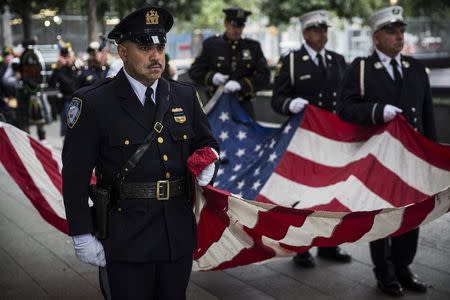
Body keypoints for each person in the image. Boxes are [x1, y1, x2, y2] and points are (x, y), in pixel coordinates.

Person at [62, 6, 219, 299]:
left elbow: (206, 143)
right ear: (122, 51)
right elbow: (74, 175)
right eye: (145, 46)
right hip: (126, 237)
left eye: (160, 46)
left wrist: (209, 161)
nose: (155, 55)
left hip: (176, 233)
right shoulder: (93, 103)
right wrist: (81, 233)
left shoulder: (183, 95)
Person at [338, 6, 434, 297]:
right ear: (376, 37)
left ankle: (404, 267)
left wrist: (431, 156)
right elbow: (344, 108)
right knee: (382, 216)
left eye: (401, 30)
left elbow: (427, 115)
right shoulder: (361, 69)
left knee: (411, 215)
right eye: (391, 31)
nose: (399, 36)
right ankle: (385, 271)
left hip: (411, 157)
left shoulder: (416, 69)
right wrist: (377, 111)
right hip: (379, 158)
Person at [271, 9, 351, 269]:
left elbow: (348, 99)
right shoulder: (292, 61)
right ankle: (301, 247)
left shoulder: (338, 61)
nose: (322, 34)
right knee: (303, 198)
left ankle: (329, 245)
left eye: (325, 29)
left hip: (332, 142)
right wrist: (290, 103)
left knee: (331, 196)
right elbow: (276, 99)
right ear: (305, 33)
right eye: (317, 29)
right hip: (304, 141)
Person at [189, 7, 270, 118]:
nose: (237, 30)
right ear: (226, 23)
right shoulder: (211, 45)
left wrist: (241, 85)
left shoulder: (252, 47)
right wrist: (212, 77)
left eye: (240, 26)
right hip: (216, 105)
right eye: (233, 25)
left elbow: (264, 76)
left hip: (244, 106)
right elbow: (194, 71)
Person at [48, 42, 80, 136]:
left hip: (78, 99)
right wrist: (57, 68)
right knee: (66, 126)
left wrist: (71, 65)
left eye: (68, 55)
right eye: (64, 56)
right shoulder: (59, 68)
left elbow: (77, 81)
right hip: (65, 100)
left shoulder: (76, 65)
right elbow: (51, 84)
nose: (66, 58)